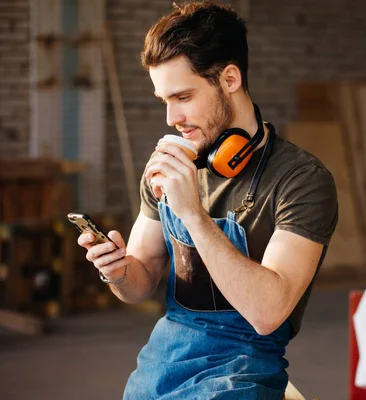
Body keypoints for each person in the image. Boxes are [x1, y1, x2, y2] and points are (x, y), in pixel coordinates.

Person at [77, 1, 338, 399]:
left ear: (229, 78)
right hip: (161, 365)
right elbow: (140, 281)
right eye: (163, 99)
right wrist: (116, 271)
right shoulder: (167, 166)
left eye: (182, 97)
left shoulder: (300, 179)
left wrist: (192, 214)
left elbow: (268, 313)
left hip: (242, 372)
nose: (170, 118)